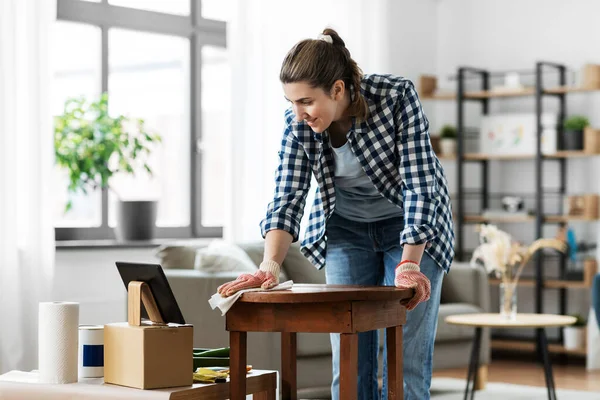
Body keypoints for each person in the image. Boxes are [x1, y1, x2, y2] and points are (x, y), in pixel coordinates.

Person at [218, 28, 455, 400]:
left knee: (406, 358)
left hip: (411, 229)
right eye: (291, 102)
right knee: (349, 356)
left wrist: (409, 265)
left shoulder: (395, 97)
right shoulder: (297, 125)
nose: (298, 113)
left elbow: (420, 185)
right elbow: (287, 195)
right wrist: (269, 266)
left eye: (306, 101)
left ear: (339, 90)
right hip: (347, 230)